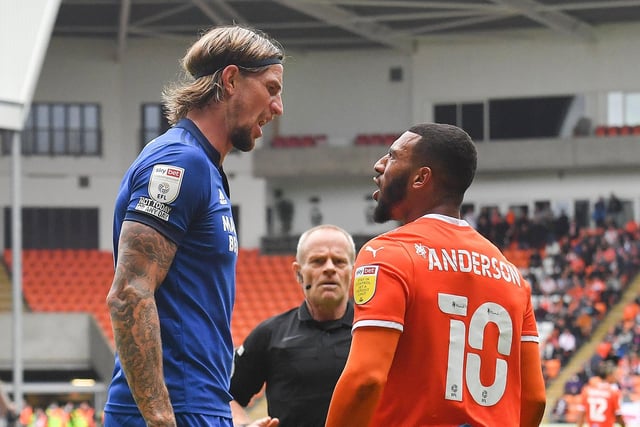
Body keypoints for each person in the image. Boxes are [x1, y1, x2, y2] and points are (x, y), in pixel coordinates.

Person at [104, 24, 284, 427]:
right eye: (271, 89)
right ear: (232, 79)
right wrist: (162, 418)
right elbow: (129, 294)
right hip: (174, 412)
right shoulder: (180, 163)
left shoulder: (204, 167)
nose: (278, 107)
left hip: (196, 407)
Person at [325, 123, 546, 427]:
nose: (379, 165)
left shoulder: (388, 254)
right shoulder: (511, 275)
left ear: (420, 178)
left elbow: (366, 380)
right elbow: (534, 399)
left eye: (392, 157)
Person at [230, 224, 355, 427]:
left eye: (339, 262)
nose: (330, 268)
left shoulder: (371, 333)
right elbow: (226, 396)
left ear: (352, 272)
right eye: (318, 261)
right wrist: (244, 425)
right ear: (298, 272)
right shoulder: (269, 334)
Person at [576, 360, 626, 427]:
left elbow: (581, 413)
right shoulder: (613, 392)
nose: (616, 377)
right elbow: (618, 415)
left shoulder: (587, 390)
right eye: (615, 374)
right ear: (609, 375)